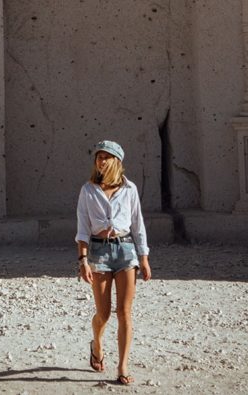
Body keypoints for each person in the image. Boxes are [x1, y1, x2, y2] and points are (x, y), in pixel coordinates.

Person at [75, 140, 152, 385]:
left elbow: (138, 224)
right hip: (99, 252)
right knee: (104, 313)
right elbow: (83, 229)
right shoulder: (88, 190)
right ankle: (96, 344)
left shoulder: (130, 189)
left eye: (106, 156)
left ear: (117, 161)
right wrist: (83, 260)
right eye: (99, 156)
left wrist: (144, 257)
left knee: (125, 312)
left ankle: (123, 366)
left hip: (126, 249)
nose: (101, 160)